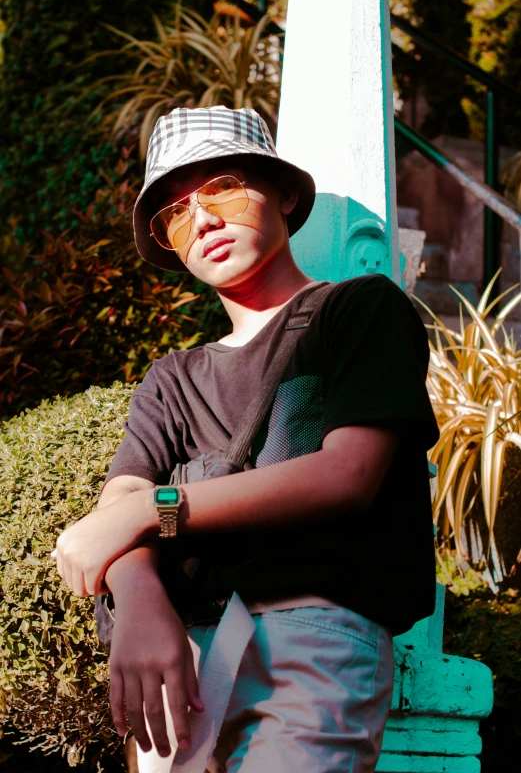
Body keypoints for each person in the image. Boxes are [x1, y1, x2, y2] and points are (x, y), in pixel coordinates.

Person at [53, 106, 439, 773]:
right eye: (174, 212)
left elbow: (345, 476)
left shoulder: (357, 310)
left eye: (222, 186)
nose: (200, 219)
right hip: (177, 653)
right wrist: (141, 606)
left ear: (282, 192)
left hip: (309, 632)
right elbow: (120, 499)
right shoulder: (172, 377)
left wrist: (152, 513)